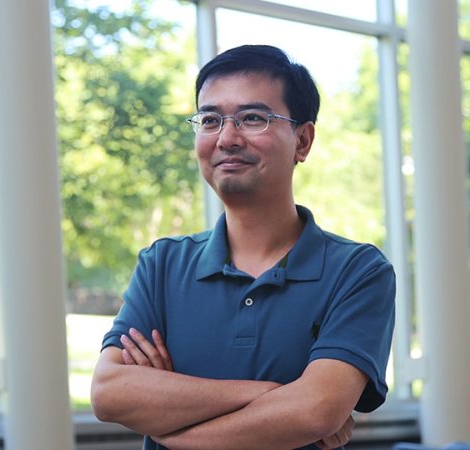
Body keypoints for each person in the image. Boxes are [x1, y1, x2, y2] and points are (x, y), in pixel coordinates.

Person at [91, 44, 396, 450]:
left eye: (252, 118)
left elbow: (315, 411)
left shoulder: (358, 271)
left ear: (302, 141)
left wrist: (171, 430)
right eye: (210, 119)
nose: (226, 138)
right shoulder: (162, 264)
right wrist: (274, 396)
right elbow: (110, 393)